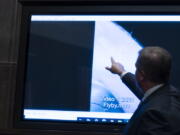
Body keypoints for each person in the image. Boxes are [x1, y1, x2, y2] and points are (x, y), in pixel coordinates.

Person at [106, 46, 180, 135]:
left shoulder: (154, 115)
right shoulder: (169, 94)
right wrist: (122, 72)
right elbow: (145, 94)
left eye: (136, 68)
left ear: (141, 75)